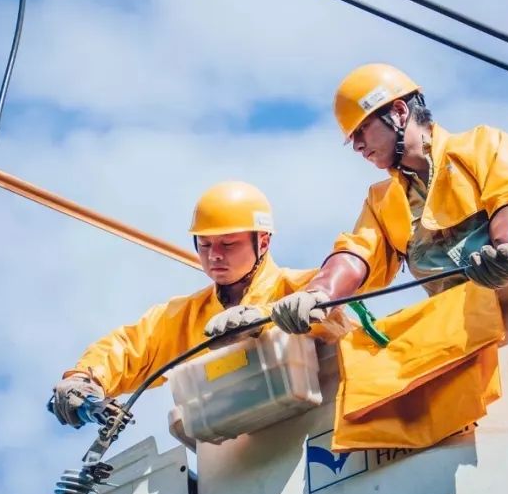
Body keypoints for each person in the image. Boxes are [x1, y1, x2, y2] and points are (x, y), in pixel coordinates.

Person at [261, 63, 508, 336]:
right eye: (352, 137)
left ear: (400, 113)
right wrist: (319, 294)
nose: (357, 146)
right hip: (466, 333)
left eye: (362, 129)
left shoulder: (482, 146)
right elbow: (358, 254)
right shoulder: (383, 201)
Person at [48, 181, 316, 427]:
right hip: (229, 455)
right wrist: (86, 378)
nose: (214, 256)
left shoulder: (300, 288)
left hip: (310, 435)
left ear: (263, 242)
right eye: (205, 244)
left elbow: (338, 322)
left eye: (228, 244)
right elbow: (131, 346)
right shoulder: (187, 316)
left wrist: (264, 318)